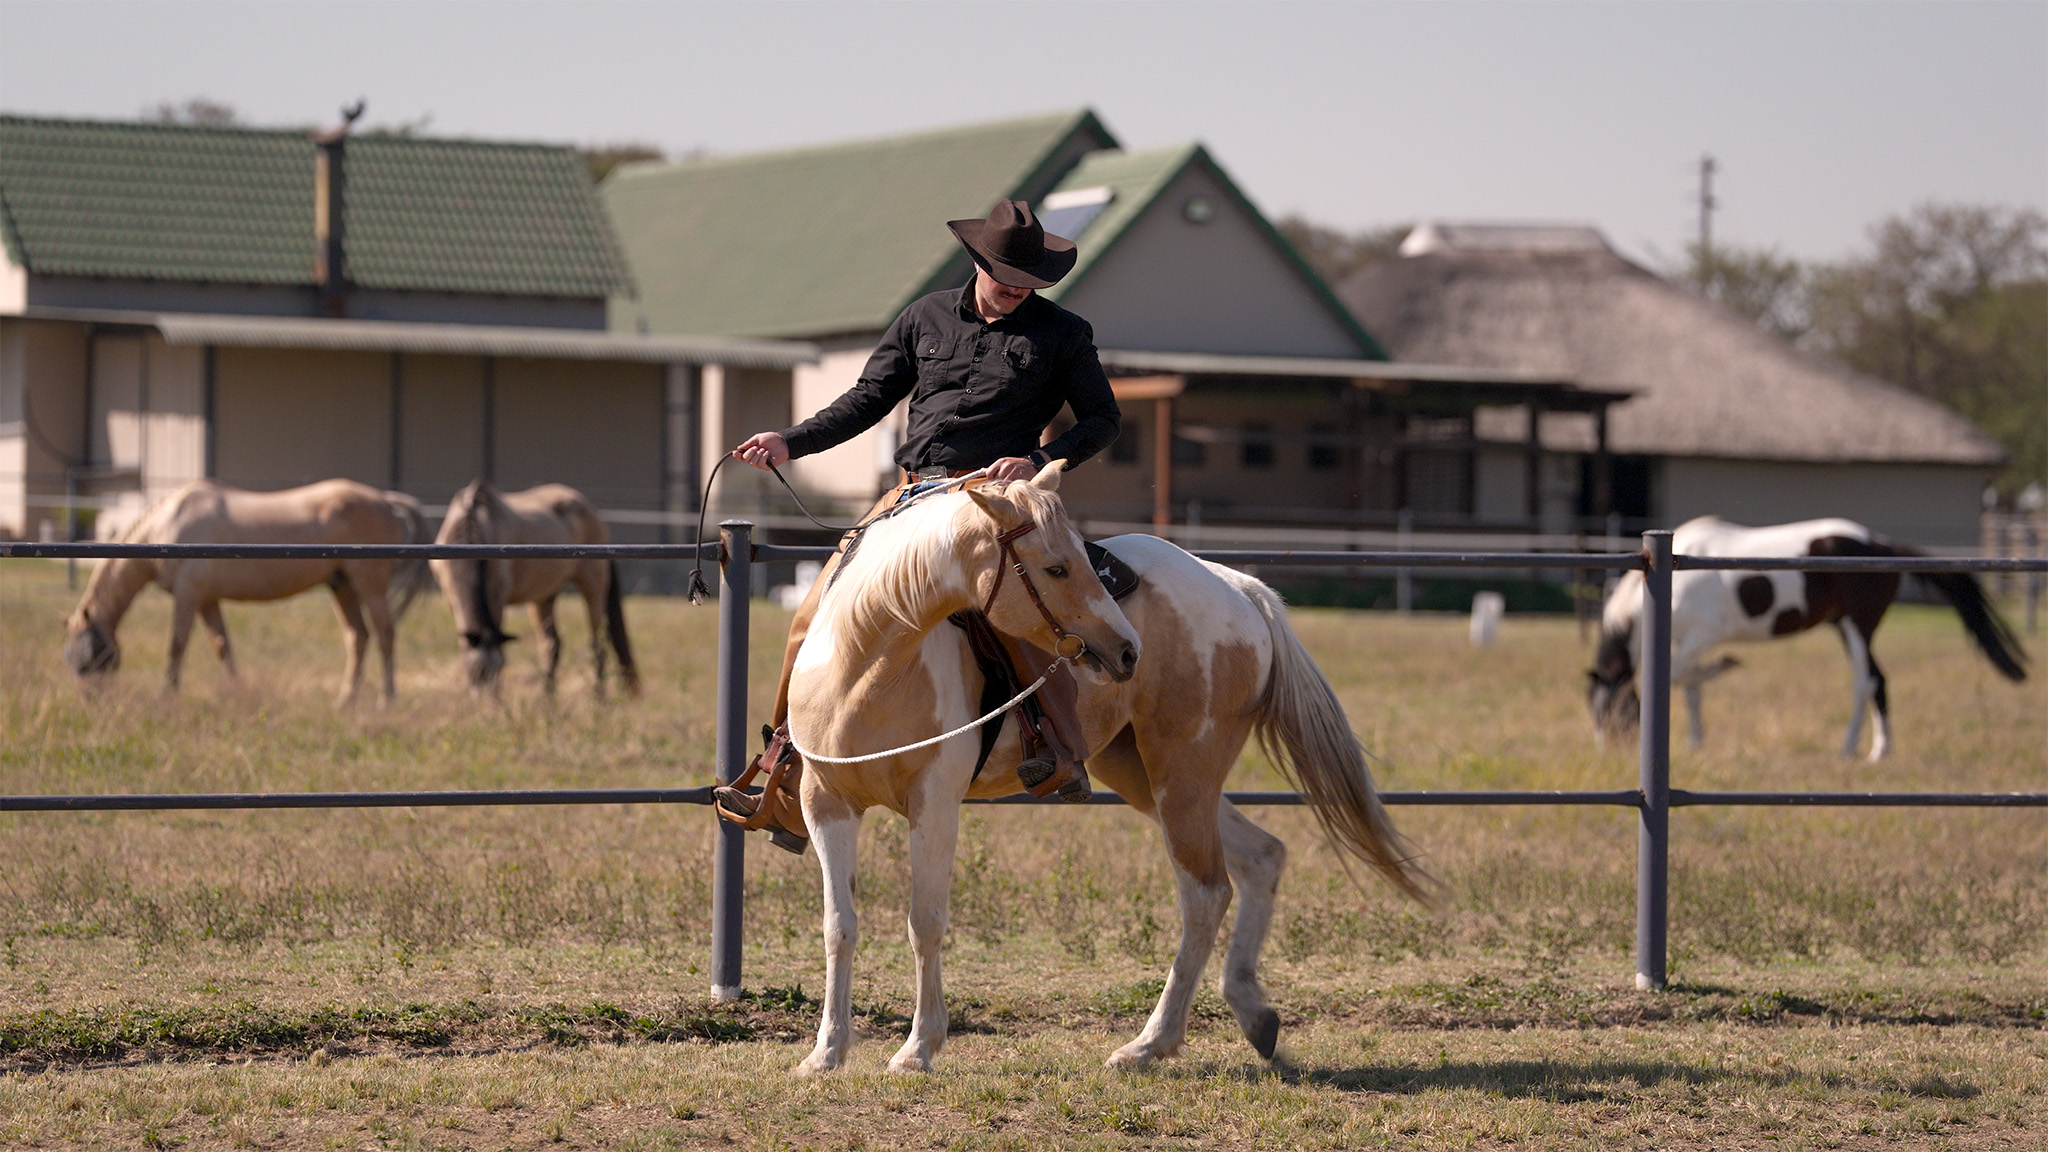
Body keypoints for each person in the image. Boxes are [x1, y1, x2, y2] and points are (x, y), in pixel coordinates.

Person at [720, 199, 1122, 851]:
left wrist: (1040, 460)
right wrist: (789, 442)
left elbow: (1103, 420)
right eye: (1007, 279)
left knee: (1014, 610)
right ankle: (784, 772)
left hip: (992, 500)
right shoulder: (924, 318)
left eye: (1030, 284)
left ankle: (1054, 748)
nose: (1018, 291)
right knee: (815, 615)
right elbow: (867, 400)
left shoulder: (1063, 334)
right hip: (907, 499)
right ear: (977, 262)